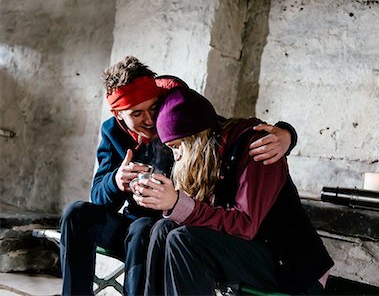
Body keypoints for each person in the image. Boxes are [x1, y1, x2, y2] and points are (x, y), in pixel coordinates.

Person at [59, 55, 298, 296]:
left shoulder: (176, 116)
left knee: (149, 229)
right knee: (76, 213)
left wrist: (287, 134)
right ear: (119, 114)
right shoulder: (112, 132)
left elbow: (210, 126)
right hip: (142, 226)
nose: (150, 120)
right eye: (137, 114)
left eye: (153, 109)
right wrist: (115, 181)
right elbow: (99, 196)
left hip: (168, 224)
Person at [132, 88, 334, 295]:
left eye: (177, 146)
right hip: (255, 251)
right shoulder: (211, 153)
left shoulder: (258, 148)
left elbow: (245, 225)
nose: (176, 157)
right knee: (163, 228)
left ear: (195, 139)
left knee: (184, 240)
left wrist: (177, 204)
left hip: (292, 268)